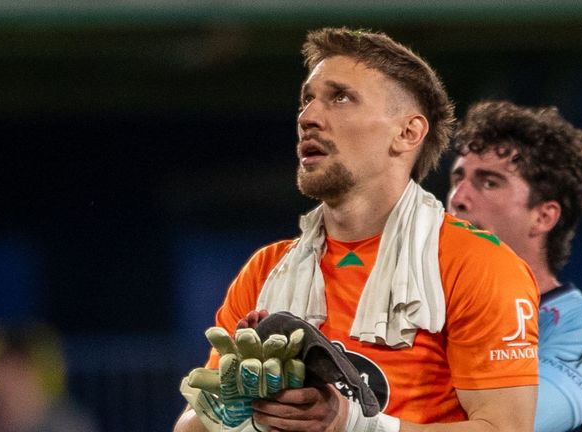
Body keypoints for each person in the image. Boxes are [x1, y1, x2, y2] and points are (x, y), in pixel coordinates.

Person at [174, 28, 540, 432]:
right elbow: (189, 428)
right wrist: (227, 414)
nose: (308, 117)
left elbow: (505, 428)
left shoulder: (475, 264)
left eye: (340, 97)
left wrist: (354, 424)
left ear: (407, 133)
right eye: (307, 100)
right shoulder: (266, 270)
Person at [447, 100, 582, 432]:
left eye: (489, 182)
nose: (457, 198)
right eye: (457, 178)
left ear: (543, 216)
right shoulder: (429, 317)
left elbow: (508, 424)